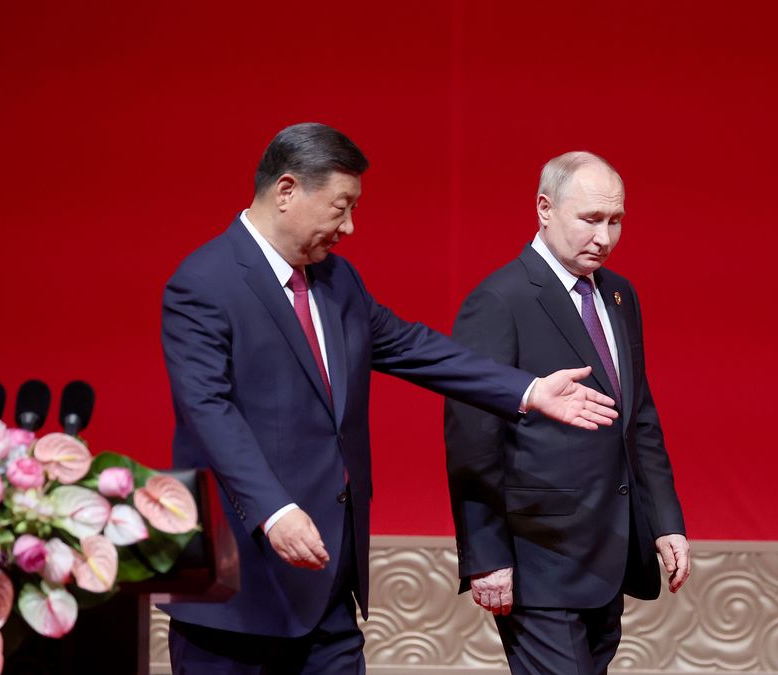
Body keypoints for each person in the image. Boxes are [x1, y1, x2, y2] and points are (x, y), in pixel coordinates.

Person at [159, 124, 618, 674]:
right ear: (287, 192)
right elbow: (208, 410)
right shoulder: (203, 281)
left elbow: (412, 346)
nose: (349, 226)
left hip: (327, 572)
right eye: (340, 207)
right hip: (234, 578)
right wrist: (273, 509)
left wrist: (527, 389)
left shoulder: (336, 281)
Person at [443, 151, 690, 675]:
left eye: (615, 220)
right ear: (544, 209)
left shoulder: (621, 295)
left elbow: (638, 419)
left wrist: (665, 520)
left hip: (612, 549)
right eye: (590, 219)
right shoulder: (499, 299)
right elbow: (472, 437)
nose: (604, 237)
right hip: (539, 554)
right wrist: (486, 557)